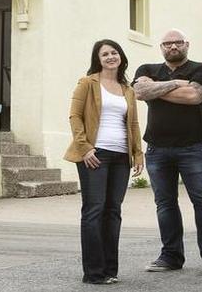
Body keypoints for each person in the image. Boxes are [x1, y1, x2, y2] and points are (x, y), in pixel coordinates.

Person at [132, 29, 202, 275]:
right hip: (157, 150)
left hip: (192, 148)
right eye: (167, 43)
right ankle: (171, 256)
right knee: (165, 204)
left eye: (178, 42)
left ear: (187, 44)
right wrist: (177, 83)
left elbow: (194, 96)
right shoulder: (147, 68)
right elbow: (140, 92)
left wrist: (157, 88)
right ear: (161, 47)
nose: (173, 47)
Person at [65, 39, 145, 285]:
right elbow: (75, 116)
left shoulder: (127, 89)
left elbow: (133, 123)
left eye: (114, 52)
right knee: (94, 210)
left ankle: (110, 270)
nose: (111, 57)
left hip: (121, 156)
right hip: (94, 155)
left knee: (113, 211)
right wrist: (85, 148)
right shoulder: (87, 83)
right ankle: (93, 272)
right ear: (98, 60)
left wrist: (138, 153)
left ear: (120, 57)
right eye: (105, 54)